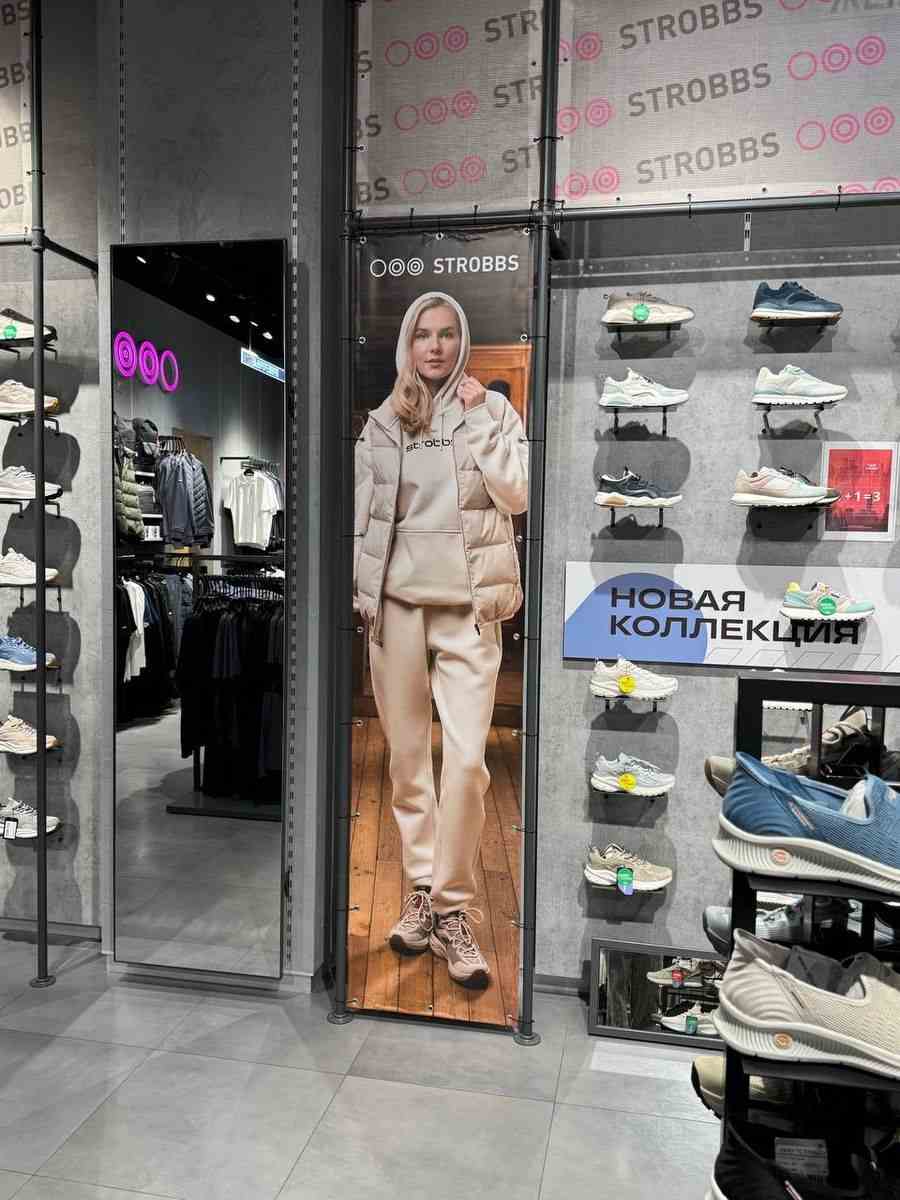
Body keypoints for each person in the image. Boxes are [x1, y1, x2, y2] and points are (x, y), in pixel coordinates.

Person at [354, 291, 529, 989]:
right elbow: (365, 521)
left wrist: (481, 421)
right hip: (396, 609)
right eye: (423, 334)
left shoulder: (494, 411)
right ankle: (424, 893)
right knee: (406, 765)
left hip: (468, 609)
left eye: (447, 333)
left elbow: (516, 495)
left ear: (462, 341)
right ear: (408, 342)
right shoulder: (382, 422)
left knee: (466, 764)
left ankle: (453, 909)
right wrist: (363, 594)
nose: (435, 346)